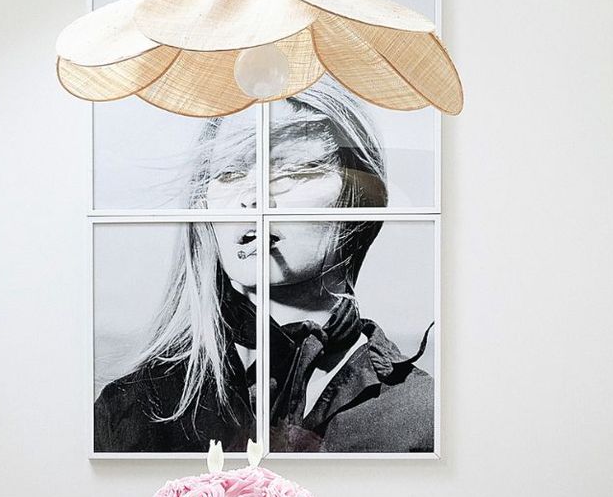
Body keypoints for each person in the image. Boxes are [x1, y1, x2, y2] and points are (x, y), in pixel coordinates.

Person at [92, 78, 434, 454]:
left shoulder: (420, 416)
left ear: (358, 199)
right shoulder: (134, 409)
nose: (254, 199)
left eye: (295, 171)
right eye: (229, 173)